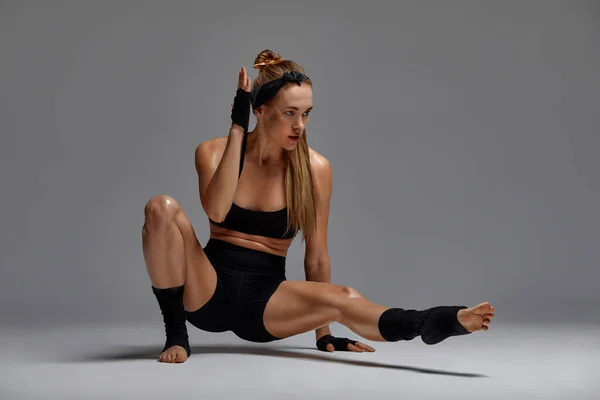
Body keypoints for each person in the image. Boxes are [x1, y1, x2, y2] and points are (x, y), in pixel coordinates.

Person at [141, 49, 495, 364]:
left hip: (266, 303)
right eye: (289, 113)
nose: (300, 125)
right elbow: (217, 212)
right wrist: (237, 127)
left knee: (344, 296)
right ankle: (176, 334)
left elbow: (317, 255)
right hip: (206, 292)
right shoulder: (213, 152)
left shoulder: (314, 169)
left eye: (307, 113)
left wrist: (322, 332)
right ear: (260, 112)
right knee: (161, 207)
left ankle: (435, 321)